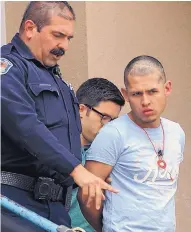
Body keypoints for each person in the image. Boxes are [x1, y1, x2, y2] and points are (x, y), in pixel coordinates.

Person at [1, 2, 117, 231]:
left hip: (56, 211)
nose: (64, 46)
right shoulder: (9, 68)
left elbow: (69, 142)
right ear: (30, 28)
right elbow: (25, 126)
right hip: (15, 208)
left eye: (69, 38)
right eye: (58, 35)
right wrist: (78, 171)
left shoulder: (59, 82)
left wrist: (94, 177)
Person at [78, 55, 185, 232]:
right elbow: (87, 196)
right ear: (126, 94)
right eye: (136, 94)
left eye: (152, 91)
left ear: (167, 88)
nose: (145, 101)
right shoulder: (113, 134)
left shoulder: (176, 133)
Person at [69, 77, 125, 231]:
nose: (108, 127)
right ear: (81, 110)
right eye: (104, 117)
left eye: (113, 121)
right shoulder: (55, 149)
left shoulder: (112, 155)